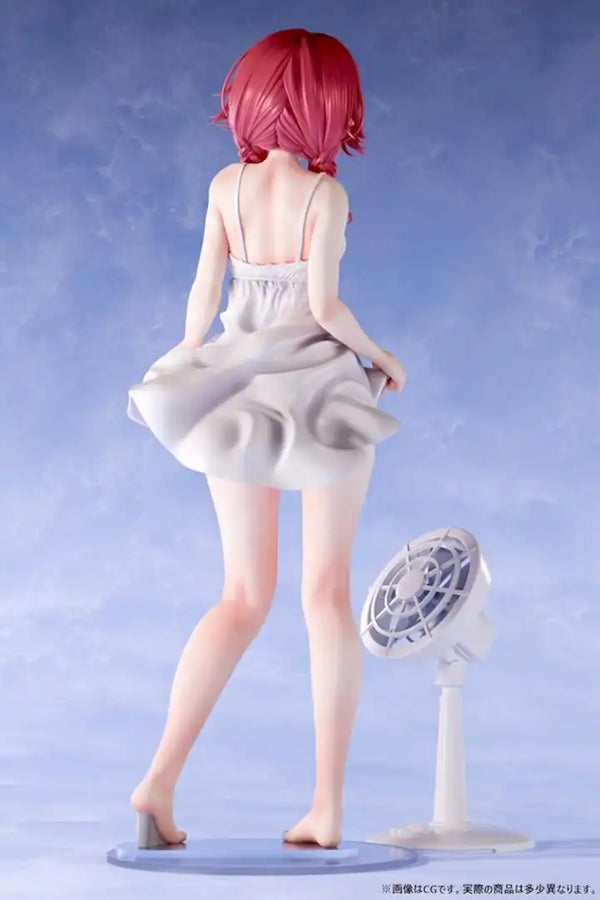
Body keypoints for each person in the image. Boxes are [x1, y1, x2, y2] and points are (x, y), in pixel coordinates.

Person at [128, 27, 407, 850]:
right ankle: (325, 806)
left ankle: (157, 781)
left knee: (241, 595)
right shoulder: (325, 197)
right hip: (320, 393)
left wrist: (188, 359)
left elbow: (203, 291)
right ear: (334, 109)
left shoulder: (227, 185)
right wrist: (383, 356)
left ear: (245, 99)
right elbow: (324, 309)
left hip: (239, 392)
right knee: (326, 594)